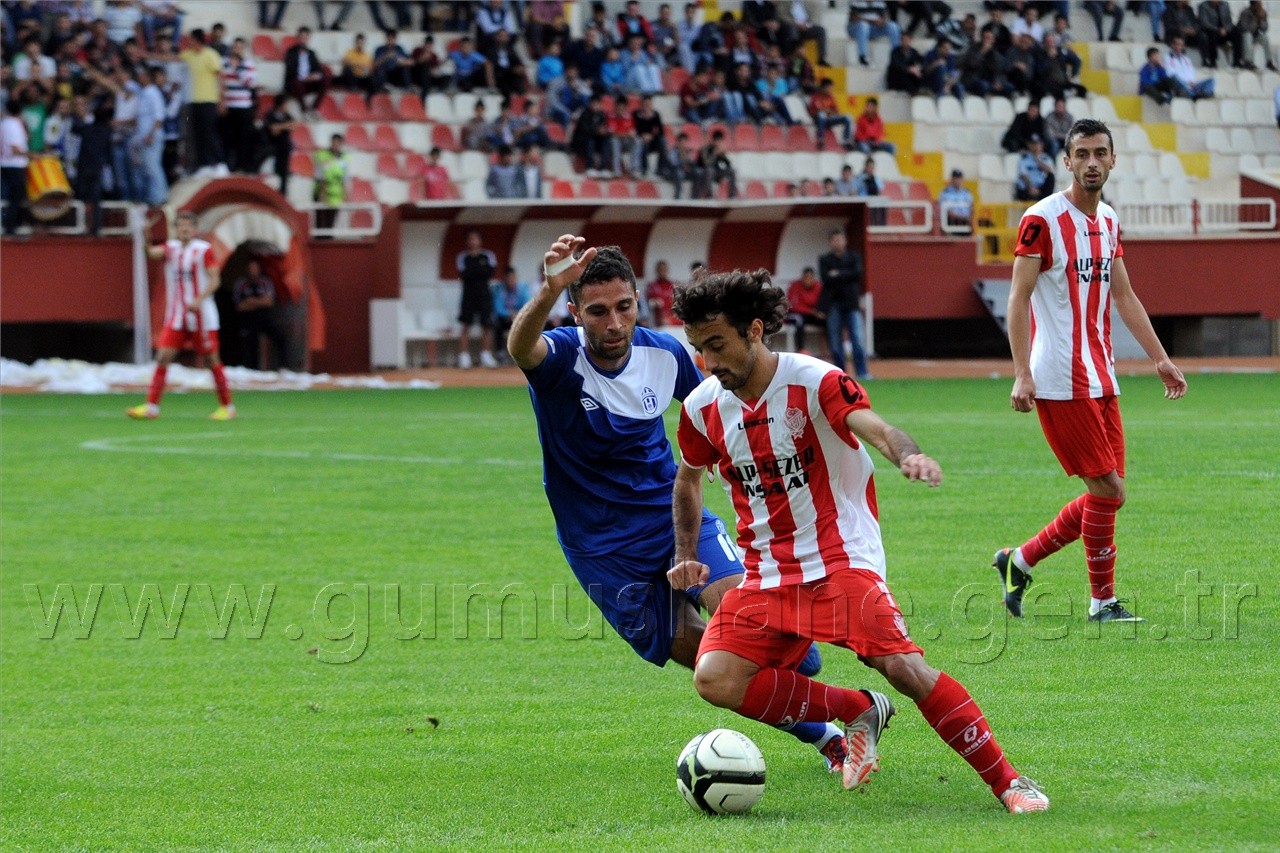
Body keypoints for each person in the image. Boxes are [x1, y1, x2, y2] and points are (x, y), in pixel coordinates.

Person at [667, 269, 1050, 813]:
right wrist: (686, 555)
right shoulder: (703, 407)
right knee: (716, 677)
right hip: (766, 576)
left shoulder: (814, 380)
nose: (709, 361)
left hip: (839, 560)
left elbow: (876, 427)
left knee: (904, 668)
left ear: (754, 330)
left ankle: (1010, 782)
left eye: (718, 345)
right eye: (700, 348)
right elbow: (687, 478)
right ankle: (858, 710)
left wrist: (907, 455)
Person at [506, 236, 841, 770]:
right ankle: (828, 735)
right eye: (597, 311)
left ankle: (794, 663)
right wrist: (548, 288)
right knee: (706, 655)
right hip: (602, 548)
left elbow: (725, 403)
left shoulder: (664, 353)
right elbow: (521, 347)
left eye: (623, 307)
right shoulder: (562, 357)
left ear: (638, 301)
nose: (613, 323)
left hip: (673, 516)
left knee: (749, 617)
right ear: (575, 313)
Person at [995, 118, 1187, 625]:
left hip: (1103, 376)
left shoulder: (1109, 221)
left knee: (1110, 493)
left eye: (1101, 152)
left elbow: (1123, 296)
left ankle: (1019, 561)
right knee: (1109, 492)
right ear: (1067, 161)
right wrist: (1021, 372)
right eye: (1082, 154)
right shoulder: (1041, 220)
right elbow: (1017, 298)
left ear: (1114, 159)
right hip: (1059, 377)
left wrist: (1160, 358)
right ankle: (1101, 602)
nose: (1092, 162)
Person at [128, 211, 236, 421]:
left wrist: (199, 299)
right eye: (180, 226)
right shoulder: (172, 249)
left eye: (188, 225)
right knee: (162, 357)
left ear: (195, 230)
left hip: (201, 317)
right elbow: (150, 253)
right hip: (177, 316)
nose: (184, 229)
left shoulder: (203, 250)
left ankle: (227, 406)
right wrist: (145, 235)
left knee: (211, 360)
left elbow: (215, 280)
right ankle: (152, 407)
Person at [818, 228, 871, 380]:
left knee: (858, 339)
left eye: (840, 239)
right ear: (830, 242)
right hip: (833, 304)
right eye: (834, 240)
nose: (837, 242)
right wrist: (845, 274)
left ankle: (862, 372)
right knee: (835, 341)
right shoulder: (825, 259)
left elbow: (857, 274)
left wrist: (838, 274)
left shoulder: (854, 257)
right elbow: (826, 278)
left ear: (845, 241)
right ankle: (840, 375)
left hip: (852, 303)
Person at [180, 28, 225, 176]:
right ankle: (203, 165)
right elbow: (171, 58)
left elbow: (220, 77)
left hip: (208, 100)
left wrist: (222, 100)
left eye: (191, 39)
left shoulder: (211, 55)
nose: (189, 42)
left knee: (209, 133)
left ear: (197, 40)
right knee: (197, 135)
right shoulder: (189, 54)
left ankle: (219, 163)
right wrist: (146, 54)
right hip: (194, 101)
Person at [456, 230, 500, 369]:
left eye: (475, 239)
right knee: (465, 325)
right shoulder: (462, 257)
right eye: (471, 239)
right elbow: (465, 274)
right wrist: (478, 271)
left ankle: (486, 355)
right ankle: (464, 357)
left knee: (486, 325)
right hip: (468, 294)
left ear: (480, 241)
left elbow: (489, 272)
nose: (473, 242)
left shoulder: (488, 256)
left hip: (484, 294)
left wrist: (476, 272)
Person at [233, 258, 287, 369]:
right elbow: (240, 306)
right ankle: (251, 369)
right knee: (248, 340)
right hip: (247, 320)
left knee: (281, 336)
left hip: (263, 318)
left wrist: (250, 301)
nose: (253, 271)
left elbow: (269, 302)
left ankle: (282, 367)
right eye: (250, 268)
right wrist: (260, 301)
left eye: (255, 268)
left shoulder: (265, 282)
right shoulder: (241, 283)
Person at [283, 26, 332, 116]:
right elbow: (290, 71)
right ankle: (304, 109)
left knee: (326, 78)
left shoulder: (311, 53)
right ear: (298, 38)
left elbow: (319, 69)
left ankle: (314, 108)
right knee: (296, 82)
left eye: (305, 38)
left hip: (309, 82)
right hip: (296, 82)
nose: (303, 40)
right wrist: (304, 77)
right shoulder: (291, 52)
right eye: (301, 38)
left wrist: (315, 75)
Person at [0, 99, 30, 235]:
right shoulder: (14, 124)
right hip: (15, 164)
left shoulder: (4, 123)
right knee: (17, 197)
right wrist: (33, 155)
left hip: (5, 163)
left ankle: (10, 225)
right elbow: (15, 149)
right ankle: (11, 226)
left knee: (10, 196)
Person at [490, 265, 531, 359]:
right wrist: (510, 314)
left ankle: (525, 352)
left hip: (520, 317)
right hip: (505, 318)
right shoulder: (498, 289)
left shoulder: (523, 288)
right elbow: (498, 308)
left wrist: (518, 314)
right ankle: (500, 352)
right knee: (497, 323)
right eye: (508, 278)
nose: (511, 280)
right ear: (504, 279)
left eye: (513, 278)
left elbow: (528, 305)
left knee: (529, 323)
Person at [313, 133, 349, 232]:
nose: (336, 145)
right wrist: (322, 193)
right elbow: (320, 176)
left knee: (330, 224)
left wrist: (345, 193)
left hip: (335, 194)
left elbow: (344, 177)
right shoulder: (322, 155)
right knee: (320, 224)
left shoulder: (344, 158)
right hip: (322, 192)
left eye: (338, 142)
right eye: (334, 142)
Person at [785, 266, 825, 354]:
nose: (808, 280)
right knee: (799, 319)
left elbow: (821, 303)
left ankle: (826, 350)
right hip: (794, 315)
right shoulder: (795, 286)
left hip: (811, 315)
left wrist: (820, 312)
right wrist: (811, 311)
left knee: (827, 321)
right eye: (806, 277)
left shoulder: (818, 286)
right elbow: (793, 306)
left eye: (810, 277)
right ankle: (801, 349)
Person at [808, 77, 853, 150]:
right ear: (823, 87)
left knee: (847, 117)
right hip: (819, 120)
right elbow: (811, 112)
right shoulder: (815, 96)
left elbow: (836, 111)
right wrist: (823, 111)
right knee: (821, 115)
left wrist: (828, 111)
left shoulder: (830, 97)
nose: (830, 90)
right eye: (829, 88)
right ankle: (821, 140)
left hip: (829, 119)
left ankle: (846, 141)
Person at [265, 93, 296, 197]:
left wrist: (280, 127)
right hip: (271, 144)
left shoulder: (287, 115)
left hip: (283, 146)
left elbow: (292, 125)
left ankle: (283, 192)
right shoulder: (270, 114)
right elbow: (273, 130)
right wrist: (284, 126)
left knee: (287, 147)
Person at [1013, 134, 1055, 202]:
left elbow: (1049, 170)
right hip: (1028, 188)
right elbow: (1023, 175)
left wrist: (1037, 159)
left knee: (1051, 177)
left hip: (1040, 188)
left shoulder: (1046, 158)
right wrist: (1031, 187)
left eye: (1037, 144)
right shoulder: (1024, 158)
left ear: (1041, 145)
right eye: (1033, 144)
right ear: (1029, 145)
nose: (1035, 147)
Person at [1238, 1, 1276, 72]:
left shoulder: (1263, 12)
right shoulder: (1245, 12)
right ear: (1253, 5)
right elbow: (1245, 28)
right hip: (1243, 36)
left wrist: (1261, 20)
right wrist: (1256, 20)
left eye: (1261, 4)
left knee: (1265, 37)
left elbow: (1265, 29)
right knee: (1248, 35)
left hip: (1255, 36)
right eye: (1258, 4)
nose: (1261, 6)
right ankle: (1248, 61)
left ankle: (1269, 61)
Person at [938, 167, 974, 233]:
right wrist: (963, 218)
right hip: (953, 222)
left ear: (963, 179)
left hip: (967, 221)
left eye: (959, 178)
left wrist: (970, 218)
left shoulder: (967, 193)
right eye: (955, 178)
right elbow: (947, 212)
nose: (958, 180)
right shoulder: (945, 193)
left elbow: (972, 208)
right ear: (951, 179)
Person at [646, 260, 677, 326]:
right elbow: (648, 303)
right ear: (657, 271)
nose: (662, 272)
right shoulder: (652, 286)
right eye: (660, 270)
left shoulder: (673, 285)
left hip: (673, 316)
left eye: (664, 270)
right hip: (659, 319)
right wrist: (655, 302)